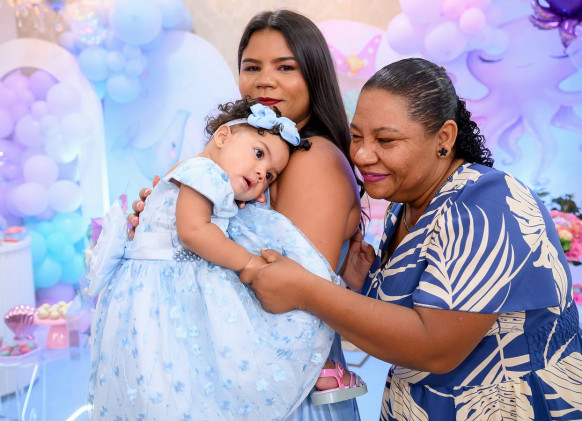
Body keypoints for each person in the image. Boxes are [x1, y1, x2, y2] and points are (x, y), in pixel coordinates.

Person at [240, 57, 582, 420]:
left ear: (444, 138)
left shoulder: (488, 204)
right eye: (356, 136)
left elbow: (435, 348)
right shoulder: (405, 204)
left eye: (385, 140)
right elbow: (406, 316)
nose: (362, 155)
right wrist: (364, 284)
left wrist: (307, 290)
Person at [130, 9, 365, 420]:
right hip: (250, 380)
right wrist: (166, 220)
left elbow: (291, 295)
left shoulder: (311, 159)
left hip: (286, 391)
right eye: (252, 66)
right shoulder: (254, 156)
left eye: (285, 67)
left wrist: (192, 240)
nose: (264, 80)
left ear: (314, 75)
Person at [87, 99, 355, 420]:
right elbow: (193, 231)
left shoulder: (210, 180)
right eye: (258, 154)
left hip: (159, 288)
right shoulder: (204, 172)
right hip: (165, 289)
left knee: (168, 376)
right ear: (223, 137)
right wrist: (248, 262)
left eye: (270, 176)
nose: (261, 173)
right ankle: (306, 363)